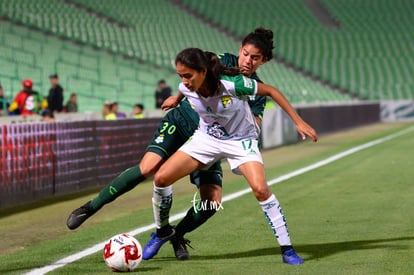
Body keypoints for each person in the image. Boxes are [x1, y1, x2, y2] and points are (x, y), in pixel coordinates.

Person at [66, 27, 286, 261]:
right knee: (148, 168)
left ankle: (175, 235)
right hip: (181, 121)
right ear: (239, 50)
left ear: (264, 61)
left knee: (212, 202)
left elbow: (254, 126)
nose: (247, 61)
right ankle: (90, 207)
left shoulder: (257, 92)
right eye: (245, 54)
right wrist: (178, 96)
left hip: (209, 140)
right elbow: (193, 70)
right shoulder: (223, 60)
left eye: (255, 58)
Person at [142, 48, 317, 265]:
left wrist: (298, 121)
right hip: (206, 139)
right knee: (161, 178)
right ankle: (162, 232)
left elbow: (272, 91)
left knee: (261, 190)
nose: (184, 81)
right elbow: (183, 91)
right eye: (180, 76)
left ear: (203, 71)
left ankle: (287, 250)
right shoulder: (185, 87)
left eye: (188, 75)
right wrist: (176, 100)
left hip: (240, 142)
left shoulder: (233, 85)